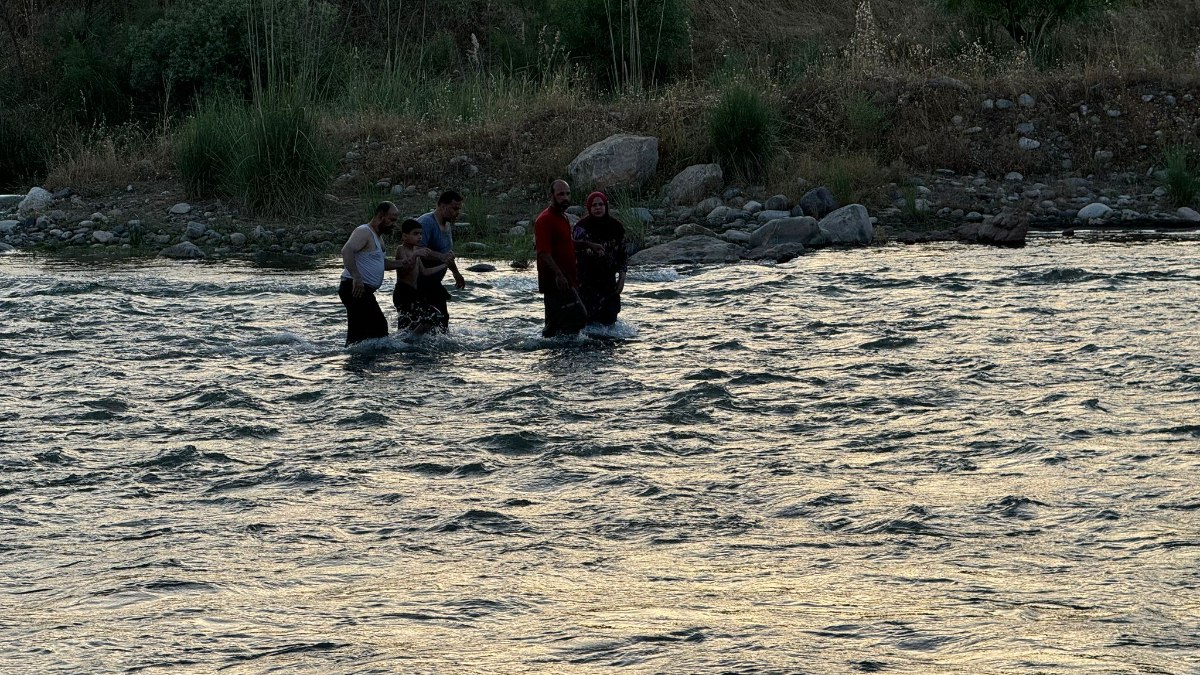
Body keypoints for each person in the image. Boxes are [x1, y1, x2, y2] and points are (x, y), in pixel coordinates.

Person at [339, 201, 403, 346]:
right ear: (381, 216)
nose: (394, 224)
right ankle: (357, 363)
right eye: (392, 219)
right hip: (354, 288)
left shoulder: (378, 237)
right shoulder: (364, 231)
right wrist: (357, 277)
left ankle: (358, 363)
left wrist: (403, 263)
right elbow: (346, 251)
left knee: (362, 333)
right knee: (378, 328)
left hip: (363, 290)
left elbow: (381, 263)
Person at [534, 179, 586, 337]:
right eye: (561, 194)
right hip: (555, 281)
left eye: (568, 194)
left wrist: (589, 245)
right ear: (552, 196)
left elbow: (566, 243)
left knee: (554, 325)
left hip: (566, 278)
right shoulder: (544, 220)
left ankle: (553, 356)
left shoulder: (563, 217)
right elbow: (543, 252)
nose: (565, 197)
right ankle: (565, 357)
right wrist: (559, 275)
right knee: (579, 317)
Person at [573, 191, 628, 325]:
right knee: (587, 323)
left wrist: (621, 280)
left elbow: (623, 256)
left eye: (600, 204)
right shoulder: (581, 227)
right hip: (585, 282)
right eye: (594, 205)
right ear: (589, 208)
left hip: (608, 283)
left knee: (609, 323)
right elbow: (573, 251)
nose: (598, 208)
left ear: (606, 206)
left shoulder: (616, 227)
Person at [416, 190, 467, 331]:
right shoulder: (426, 223)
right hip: (418, 285)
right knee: (422, 323)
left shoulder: (447, 225)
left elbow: (447, 254)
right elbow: (416, 251)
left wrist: (456, 273)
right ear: (442, 206)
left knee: (442, 321)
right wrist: (441, 257)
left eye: (459, 209)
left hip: (434, 283)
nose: (457, 212)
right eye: (454, 208)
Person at [393, 219, 450, 335]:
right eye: (415, 234)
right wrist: (415, 255)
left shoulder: (415, 250)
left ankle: (411, 341)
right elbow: (405, 268)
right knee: (425, 317)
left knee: (427, 318)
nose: (419, 237)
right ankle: (408, 342)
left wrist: (444, 264)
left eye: (420, 234)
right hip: (403, 292)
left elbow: (424, 272)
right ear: (404, 236)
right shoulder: (401, 249)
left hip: (413, 293)